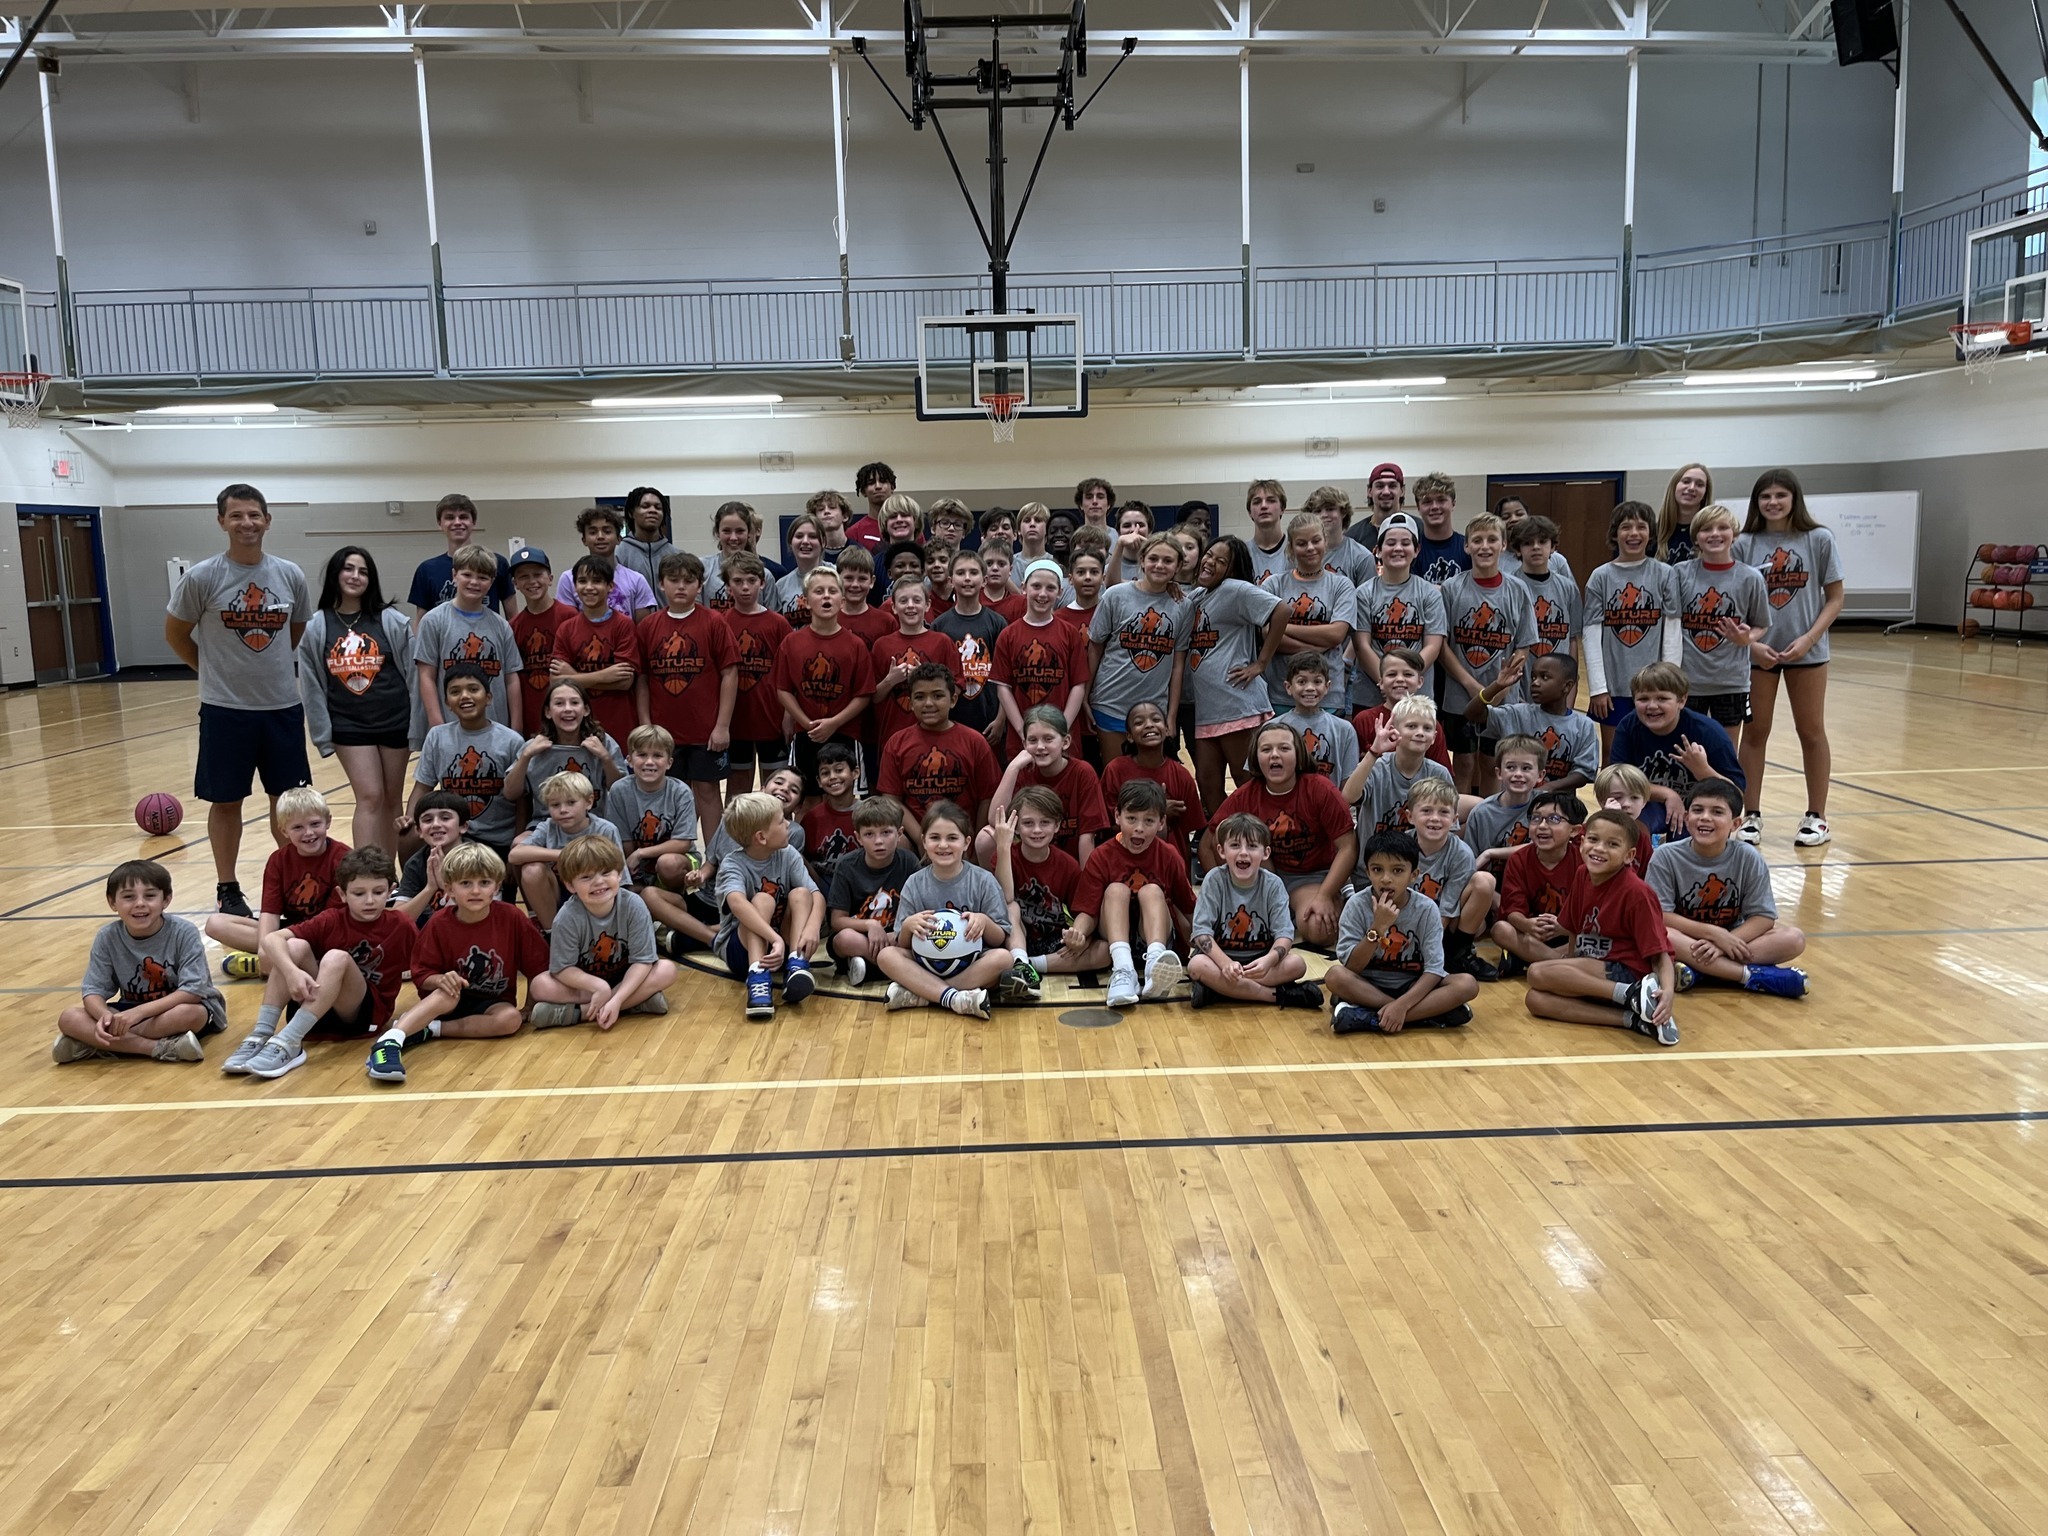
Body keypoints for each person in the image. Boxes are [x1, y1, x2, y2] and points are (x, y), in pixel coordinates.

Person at [164, 482, 314, 918]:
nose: (246, 523)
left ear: (267, 520)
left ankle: (294, 883)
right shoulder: (203, 577)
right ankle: (228, 888)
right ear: (221, 522)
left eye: (254, 515)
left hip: (282, 706)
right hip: (225, 710)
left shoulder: (289, 574)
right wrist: (209, 671)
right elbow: (175, 634)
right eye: (236, 516)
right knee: (226, 800)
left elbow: (295, 632)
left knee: (286, 804)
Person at [363, 843, 548, 1084]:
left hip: (492, 1003)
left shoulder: (511, 917)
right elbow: (420, 974)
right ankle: (389, 1041)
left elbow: (536, 965)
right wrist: (440, 979)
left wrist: (528, 1007)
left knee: (510, 1020)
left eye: (484, 883)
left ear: (497, 886)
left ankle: (429, 1030)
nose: (475, 890)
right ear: (449, 889)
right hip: (447, 1000)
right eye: (466, 883)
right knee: (448, 993)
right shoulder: (439, 923)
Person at [228, 845, 414, 1079]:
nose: (369, 901)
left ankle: (289, 1040)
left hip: (362, 1017)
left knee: (336, 957)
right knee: (294, 946)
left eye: (378, 892)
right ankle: (261, 1034)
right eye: (359, 893)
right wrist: (291, 972)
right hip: (317, 1008)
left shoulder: (401, 925)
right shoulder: (332, 918)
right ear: (342, 894)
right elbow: (272, 939)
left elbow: (425, 967)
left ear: (391, 891)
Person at [1735, 468, 1845, 848]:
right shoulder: (1743, 542)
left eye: (1781, 495)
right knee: (1755, 732)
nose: (1773, 502)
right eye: (1766, 496)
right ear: (1757, 502)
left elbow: (1835, 598)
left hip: (1807, 652)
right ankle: (1750, 816)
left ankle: (1817, 817)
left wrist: (1809, 638)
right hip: (1758, 653)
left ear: (1794, 499)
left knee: (1811, 730)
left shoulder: (1818, 539)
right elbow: (1732, 601)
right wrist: (1751, 645)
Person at [1524, 809, 1680, 1045]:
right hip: (1596, 974)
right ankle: (1634, 1019)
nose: (1599, 849)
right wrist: (1570, 968)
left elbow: (1660, 953)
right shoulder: (1582, 874)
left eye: (1612, 844)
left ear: (1629, 856)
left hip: (1627, 971)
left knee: (1537, 972)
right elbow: (1574, 930)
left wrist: (1668, 992)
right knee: (1535, 1000)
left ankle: (1632, 994)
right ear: (1582, 842)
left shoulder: (1638, 893)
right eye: (1594, 840)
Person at [299, 545, 414, 853]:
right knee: (370, 796)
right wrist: (321, 734)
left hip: (394, 720)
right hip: (349, 724)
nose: (355, 576)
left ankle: (388, 880)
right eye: (348, 568)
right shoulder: (316, 626)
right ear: (335, 574)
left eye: (363, 571)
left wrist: (419, 725)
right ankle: (366, 874)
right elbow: (311, 685)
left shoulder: (391, 620)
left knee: (392, 798)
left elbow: (413, 675)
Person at [1647, 777, 1808, 996]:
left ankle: (1700, 972)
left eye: (1717, 812)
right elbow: (1660, 915)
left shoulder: (1747, 857)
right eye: (1697, 810)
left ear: (1735, 824)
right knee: (1663, 934)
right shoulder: (1666, 856)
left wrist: (1723, 943)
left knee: (1794, 939)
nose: (1705, 817)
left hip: (1732, 939)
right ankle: (1749, 976)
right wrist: (1712, 933)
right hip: (1686, 937)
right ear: (1686, 817)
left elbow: (1763, 917)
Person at [54, 860, 225, 1065]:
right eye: (128, 897)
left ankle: (95, 1043)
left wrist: (134, 1016)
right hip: (130, 1011)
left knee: (190, 1014)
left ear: (166, 900)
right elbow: (92, 991)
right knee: (69, 1017)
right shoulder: (107, 936)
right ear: (112, 903)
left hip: (175, 1008)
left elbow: (193, 991)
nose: (140, 903)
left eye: (150, 896)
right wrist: (105, 1018)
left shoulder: (183, 932)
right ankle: (158, 1048)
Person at [1205, 719, 1355, 948]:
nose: (1275, 755)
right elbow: (1210, 843)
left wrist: (1325, 895)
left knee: (1320, 929)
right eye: (1266, 749)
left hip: (1311, 877)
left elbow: (1348, 847)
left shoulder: (1320, 789)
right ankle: (1280, 910)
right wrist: (1223, 886)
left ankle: (1335, 896)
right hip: (1264, 875)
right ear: (1256, 758)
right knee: (1225, 833)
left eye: (1284, 748)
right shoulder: (1245, 795)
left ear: (1298, 755)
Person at [1326, 830, 1478, 1035]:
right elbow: (1351, 967)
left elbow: (1434, 970)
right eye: (1377, 869)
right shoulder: (1356, 905)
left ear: (1413, 875)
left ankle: (1370, 1018)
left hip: (1412, 986)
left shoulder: (1426, 908)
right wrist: (1377, 928)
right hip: (1368, 986)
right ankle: (1426, 1015)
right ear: (1368, 872)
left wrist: (1403, 1004)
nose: (1386, 879)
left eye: (1397, 871)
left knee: (1467, 984)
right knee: (1335, 976)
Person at [877, 800, 1014, 1019]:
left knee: (1003, 959)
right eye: (935, 838)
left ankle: (926, 993)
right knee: (886, 955)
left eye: (952, 838)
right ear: (923, 841)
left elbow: (999, 938)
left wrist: (984, 921)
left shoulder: (983, 880)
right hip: (925, 962)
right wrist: (909, 926)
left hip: (971, 964)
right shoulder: (915, 882)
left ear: (966, 842)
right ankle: (955, 998)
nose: (943, 845)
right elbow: (902, 943)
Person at [526, 834, 677, 1029]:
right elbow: (562, 969)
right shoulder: (566, 917)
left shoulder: (634, 905)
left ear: (619, 874)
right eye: (586, 877)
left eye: (606, 873)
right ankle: (636, 1003)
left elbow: (642, 961)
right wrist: (599, 987)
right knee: (540, 985)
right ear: (570, 885)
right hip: (586, 986)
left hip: (626, 978)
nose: (598, 882)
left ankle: (579, 1013)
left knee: (667, 970)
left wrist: (616, 999)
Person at [637, 550, 738, 842]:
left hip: (705, 730)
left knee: (707, 791)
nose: (681, 586)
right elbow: (642, 679)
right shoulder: (648, 626)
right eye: (674, 580)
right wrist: (647, 727)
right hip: (663, 733)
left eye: (688, 580)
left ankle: (715, 863)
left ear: (700, 585)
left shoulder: (714, 622)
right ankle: (672, 860)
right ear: (660, 584)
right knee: (669, 795)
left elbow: (730, 674)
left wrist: (722, 725)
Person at [1185, 535, 1288, 813]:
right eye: (1209, 555)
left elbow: (1282, 610)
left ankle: (1255, 840)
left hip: (1237, 704)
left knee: (1245, 780)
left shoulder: (1235, 589)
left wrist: (1261, 663)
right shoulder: (1199, 594)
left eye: (1221, 561)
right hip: (1207, 709)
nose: (1209, 562)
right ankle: (1223, 841)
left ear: (1231, 569)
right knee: (1206, 781)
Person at [1073, 779, 1197, 1007]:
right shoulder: (1101, 856)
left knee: (1151, 891)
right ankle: (1123, 969)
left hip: (1155, 935)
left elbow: (1189, 908)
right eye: (1131, 819)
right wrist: (1078, 933)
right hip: (1114, 938)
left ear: (1161, 823)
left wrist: (1209, 944)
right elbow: (1088, 910)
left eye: (1148, 820)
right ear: (1117, 816)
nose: (1139, 827)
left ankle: (1155, 966)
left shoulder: (1169, 855)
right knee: (1116, 890)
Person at [1437, 510, 1535, 794]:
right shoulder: (1452, 588)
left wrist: (1499, 688)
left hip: (1504, 695)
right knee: (1464, 763)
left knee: (1493, 762)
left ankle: (1489, 820)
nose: (1484, 546)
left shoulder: (1517, 589)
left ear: (1503, 545)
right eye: (1477, 540)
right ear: (1466, 546)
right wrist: (1470, 684)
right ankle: (1462, 822)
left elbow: (1524, 645)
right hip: (1459, 694)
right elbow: (1442, 643)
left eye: (1492, 539)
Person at [203, 784, 347, 977]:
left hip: (331, 931)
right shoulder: (278, 860)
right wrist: (266, 948)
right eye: (298, 827)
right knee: (215, 923)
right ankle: (279, 961)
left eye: (315, 824)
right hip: (291, 930)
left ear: (328, 821)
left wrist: (279, 945)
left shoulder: (344, 858)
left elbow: (332, 918)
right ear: (284, 831)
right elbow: (270, 912)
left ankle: (277, 965)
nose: (308, 833)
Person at [1187, 812, 1321, 1010]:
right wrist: (1225, 965)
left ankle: (1219, 991)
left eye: (1252, 846)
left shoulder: (1273, 884)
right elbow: (1201, 933)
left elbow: (1284, 935)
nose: (1243, 853)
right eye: (1235, 845)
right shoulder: (1214, 879)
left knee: (1297, 964)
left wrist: (1269, 960)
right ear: (1221, 851)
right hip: (1220, 959)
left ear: (1265, 853)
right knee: (1197, 965)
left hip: (1260, 962)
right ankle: (1274, 996)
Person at [714, 790, 823, 1021]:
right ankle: (757, 976)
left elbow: (816, 895)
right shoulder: (732, 863)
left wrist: (813, 927)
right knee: (762, 899)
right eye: (782, 821)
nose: (788, 825)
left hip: (779, 948)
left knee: (802, 893)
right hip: (741, 950)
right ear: (761, 837)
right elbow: (736, 903)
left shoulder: (788, 853)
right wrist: (773, 938)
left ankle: (796, 962)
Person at [1088, 532, 1194, 762]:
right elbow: (1095, 648)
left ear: (1177, 567)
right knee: (1115, 777)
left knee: (1149, 783)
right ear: (1142, 560)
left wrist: (1171, 715)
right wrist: (1086, 698)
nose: (1159, 565)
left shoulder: (1183, 605)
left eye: (1168, 561)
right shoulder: (1116, 595)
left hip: (1154, 710)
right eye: (1153, 558)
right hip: (1110, 702)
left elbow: (1178, 664)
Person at [1582, 501, 1680, 748]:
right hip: (1613, 689)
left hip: (1654, 687)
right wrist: (1598, 688)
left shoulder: (1665, 574)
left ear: (1651, 533)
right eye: (1626, 527)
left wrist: (1669, 680)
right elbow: (1591, 634)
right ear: (1615, 533)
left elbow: (1672, 629)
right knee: (1613, 756)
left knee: (1655, 754)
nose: (1634, 533)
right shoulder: (1601, 576)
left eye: (1641, 526)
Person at [410, 663, 530, 863]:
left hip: (498, 839)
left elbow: (522, 801)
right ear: (447, 701)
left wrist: (515, 843)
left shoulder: (511, 741)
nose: (465, 696)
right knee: (408, 835)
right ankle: (412, 888)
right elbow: (422, 787)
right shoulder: (437, 737)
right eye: (455, 692)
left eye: (473, 689)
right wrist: (410, 819)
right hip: (453, 834)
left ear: (488, 698)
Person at [1671, 504, 1769, 747]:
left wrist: (1747, 639)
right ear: (1696, 538)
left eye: (1722, 528)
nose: (1715, 534)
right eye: (1706, 529)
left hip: (1731, 681)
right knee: (1686, 750)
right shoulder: (1680, 573)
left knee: (1725, 751)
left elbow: (1761, 625)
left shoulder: (1750, 578)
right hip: (1688, 682)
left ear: (1734, 535)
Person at [413, 541, 524, 751]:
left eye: (482, 577)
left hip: (495, 728)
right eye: (467, 575)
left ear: (491, 583)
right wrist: (437, 725)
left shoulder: (501, 626)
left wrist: (515, 727)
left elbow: (511, 678)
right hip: (451, 726)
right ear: (454, 576)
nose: (474, 582)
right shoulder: (433, 621)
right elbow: (426, 676)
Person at [773, 568, 875, 793]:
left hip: (845, 732)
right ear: (806, 601)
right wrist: (807, 723)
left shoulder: (855, 645)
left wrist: (834, 722)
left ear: (842, 600)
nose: (826, 596)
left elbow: (864, 694)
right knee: (804, 798)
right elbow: (783, 690)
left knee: (848, 797)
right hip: (806, 733)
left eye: (832, 591)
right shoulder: (792, 642)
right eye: (819, 591)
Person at [1612, 661, 1747, 831]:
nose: (1652, 706)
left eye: (1662, 698)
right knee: (1630, 826)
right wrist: (1667, 794)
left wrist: (1702, 771)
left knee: (1694, 842)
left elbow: (1736, 795)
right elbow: (1616, 781)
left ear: (1682, 700)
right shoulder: (1628, 727)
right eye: (1643, 699)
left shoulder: (1708, 733)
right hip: (1647, 803)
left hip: (1697, 810)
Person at [991, 785, 1098, 989]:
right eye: (1028, 823)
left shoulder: (1068, 865)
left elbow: (1085, 910)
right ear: (1016, 827)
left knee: (1103, 951)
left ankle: (1028, 965)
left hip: (1052, 942)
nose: (1037, 830)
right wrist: (1003, 847)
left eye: (1045, 823)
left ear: (1057, 826)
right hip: (1015, 939)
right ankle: (1020, 958)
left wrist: (1078, 935)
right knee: (1011, 907)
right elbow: (1004, 899)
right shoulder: (1004, 856)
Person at [876, 663, 998, 839]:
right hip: (915, 839)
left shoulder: (975, 742)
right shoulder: (897, 743)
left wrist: (974, 844)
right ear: (910, 703)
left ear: (953, 700)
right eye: (919, 697)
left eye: (938, 695)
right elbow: (891, 800)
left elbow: (987, 797)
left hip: (963, 837)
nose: (928, 703)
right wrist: (920, 838)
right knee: (895, 840)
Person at [992, 557, 1092, 757]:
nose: (1043, 594)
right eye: (1036, 586)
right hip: (1021, 737)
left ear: (1060, 592)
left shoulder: (1069, 633)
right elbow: (1003, 687)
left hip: (1063, 737)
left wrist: (1060, 730)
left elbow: (1078, 685)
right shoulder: (1008, 635)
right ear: (1023, 588)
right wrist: (1023, 731)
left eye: (1050, 588)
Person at [983, 705, 1106, 864]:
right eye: (1033, 740)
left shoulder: (1083, 772)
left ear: (1066, 741)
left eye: (1048, 739)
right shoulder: (1021, 770)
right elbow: (995, 820)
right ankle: (997, 888)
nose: (1040, 747)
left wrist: (1086, 885)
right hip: (1030, 856)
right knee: (985, 838)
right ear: (1024, 744)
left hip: (1069, 864)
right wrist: (1012, 768)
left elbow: (1087, 836)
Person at [1263, 512, 1358, 715]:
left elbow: (1336, 634)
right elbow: (1266, 635)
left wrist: (1282, 627)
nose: (1310, 548)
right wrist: (1319, 645)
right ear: (1291, 548)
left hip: (1328, 694)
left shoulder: (1341, 585)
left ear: (1325, 541)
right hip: (1281, 692)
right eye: (1301, 543)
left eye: (1316, 541)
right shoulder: (1273, 584)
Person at [1464, 652, 1597, 795]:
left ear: (1567, 686)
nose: (1535, 683)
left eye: (1544, 677)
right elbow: (1472, 714)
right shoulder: (1516, 714)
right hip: (1514, 802)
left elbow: (1584, 773)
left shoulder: (1584, 726)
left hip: (1558, 806)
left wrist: (1548, 788)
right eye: (1533, 677)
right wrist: (1497, 686)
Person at [1405, 778, 1497, 981]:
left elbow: (1448, 906)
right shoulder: (1400, 847)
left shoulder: (1461, 853)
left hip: (1444, 923)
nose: (1435, 818)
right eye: (1426, 811)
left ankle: (1457, 955)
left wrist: (1432, 952)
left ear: (1455, 819)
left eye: (1443, 812)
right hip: (1406, 923)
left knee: (1484, 881)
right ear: (1410, 816)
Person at [1487, 788, 1587, 975]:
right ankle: (1560, 964)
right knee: (1501, 929)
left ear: (1574, 830)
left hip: (1569, 933)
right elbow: (1512, 911)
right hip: (1532, 933)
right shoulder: (1519, 859)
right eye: (1536, 818)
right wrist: (1528, 925)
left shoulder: (1583, 862)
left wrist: (1563, 927)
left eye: (1554, 819)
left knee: (1591, 937)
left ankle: (1530, 960)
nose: (1541, 826)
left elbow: (1590, 912)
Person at [1353, 513, 1447, 710]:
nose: (1398, 548)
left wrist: (1405, 682)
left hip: (1417, 700)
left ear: (1416, 550)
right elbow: (1362, 646)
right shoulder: (1363, 593)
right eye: (1390, 543)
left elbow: (1432, 647)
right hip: (1371, 698)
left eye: (1405, 543)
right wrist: (1386, 682)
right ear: (1378, 550)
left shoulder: (1430, 593)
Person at [827, 794, 923, 986]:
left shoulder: (909, 862)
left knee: (919, 941)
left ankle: (867, 967)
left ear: (900, 833)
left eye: (886, 833)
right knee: (845, 939)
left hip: (895, 936)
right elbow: (837, 921)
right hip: (861, 936)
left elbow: (919, 911)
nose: (878, 841)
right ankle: (895, 969)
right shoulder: (846, 866)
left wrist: (898, 933)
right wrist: (871, 925)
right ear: (858, 838)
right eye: (869, 834)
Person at [720, 552, 792, 800]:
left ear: (762, 582)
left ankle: (780, 836)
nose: (745, 587)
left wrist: (788, 714)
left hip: (772, 717)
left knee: (777, 786)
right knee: (737, 787)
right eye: (738, 581)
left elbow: (789, 674)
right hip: (737, 719)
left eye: (751, 580)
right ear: (728, 586)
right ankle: (733, 839)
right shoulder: (721, 623)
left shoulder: (778, 623)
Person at [510, 769, 623, 928]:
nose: (563, 810)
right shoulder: (548, 827)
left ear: (589, 802)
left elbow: (620, 877)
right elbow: (514, 855)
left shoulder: (605, 830)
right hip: (557, 895)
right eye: (555, 805)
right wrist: (563, 854)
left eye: (571, 802)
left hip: (596, 892)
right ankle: (551, 932)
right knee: (531, 870)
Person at [1101, 701, 1206, 858]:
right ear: (1129, 736)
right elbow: (1107, 826)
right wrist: (1158, 810)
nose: (1149, 725)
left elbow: (1185, 836)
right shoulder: (1115, 770)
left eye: (1156, 720)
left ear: (1166, 729)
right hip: (1123, 861)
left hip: (1167, 863)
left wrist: (1184, 877)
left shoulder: (1181, 775)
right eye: (1139, 722)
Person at [870, 576, 966, 745]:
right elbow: (874, 697)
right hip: (893, 735)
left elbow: (957, 687)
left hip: (936, 733)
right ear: (893, 607)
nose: (910, 606)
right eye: (903, 601)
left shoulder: (942, 642)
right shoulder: (881, 645)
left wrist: (925, 681)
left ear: (927, 605)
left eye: (916, 600)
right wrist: (890, 680)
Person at [1344, 694, 1454, 840]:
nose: (1420, 733)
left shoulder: (1439, 773)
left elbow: (1449, 826)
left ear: (1434, 737)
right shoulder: (1376, 766)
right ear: (1394, 730)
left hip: (1418, 860)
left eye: (1427, 728)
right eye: (1411, 726)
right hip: (1373, 858)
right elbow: (1348, 797)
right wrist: (1374, 752)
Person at [933, 549, 1006, 736]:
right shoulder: (940, 625)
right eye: (960, 573)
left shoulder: (997, 623)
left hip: (989, 719)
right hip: (952, 718)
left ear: (984, 580)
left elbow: (1006, 678)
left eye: (973, 573)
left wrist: (1001, 719)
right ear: (950, 581)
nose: (967, 578)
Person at [409, 492, 511, 619]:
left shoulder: (496, 562)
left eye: (463, 517)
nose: (457, 522)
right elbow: (420, 621)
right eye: (450, 517)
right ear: (440, 523)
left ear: (473, 522)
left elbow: (512, 616)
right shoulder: (426, 570)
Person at [1350, 648, 1452, 773]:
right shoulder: (1364, 720)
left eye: (1408, 674)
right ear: (1381, 682)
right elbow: (1351, 770)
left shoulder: (1429, 723)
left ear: (1420, 682)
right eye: (1392, 674)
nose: (1399, 679)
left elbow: (1441, 775)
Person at [507, 546, 575, 728]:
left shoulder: (570, 617)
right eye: (523, 576)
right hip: (532, 715)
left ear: (550, 579)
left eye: (538, 574)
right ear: (515, 583)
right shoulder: (513, 627)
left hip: (568, 713)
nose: (532, 581)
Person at [553, 506, 658, 617]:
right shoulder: (569, 579)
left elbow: (643, 630)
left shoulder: (636, 580)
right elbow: (568, 626)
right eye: (593, 532)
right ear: (584, 540)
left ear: (619, 538)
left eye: (607, 531)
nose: (600, 537)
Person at [1462, 734, 1547, 868]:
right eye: (1510, 767)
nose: (1518, 774)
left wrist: (1491, 853)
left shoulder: (1548, 806)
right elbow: (1470, 862)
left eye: (1526, 768)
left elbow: (1549, 847)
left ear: (1540, 775)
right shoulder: (1481, 813)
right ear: (1499, 773)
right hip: (1491, 884)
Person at [1505, 514, 1577, 671]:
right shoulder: (1509, 588)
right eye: (1528, 543)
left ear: (1553, 547)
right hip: (1519, 682)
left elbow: (1572, 639)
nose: (1536, 547)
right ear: (1518, 550)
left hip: (1558, 681)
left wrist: (1572, 682)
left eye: (1542, 541)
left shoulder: (1568, 588)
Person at [394, 789, 475, 927]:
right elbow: (398, 919)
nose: (436, 824)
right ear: (419, 831)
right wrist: (430, 888)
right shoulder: (416, 863)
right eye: (427, 820)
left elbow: (480, 911)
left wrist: (445, 885)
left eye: (445, 818)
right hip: (431, 929)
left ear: (463, 826)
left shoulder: (479, 858)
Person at [1275, 653, 1358, 786]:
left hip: (1329, 804)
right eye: (1302, 681)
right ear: (1288, 687)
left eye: (1317, 681)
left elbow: (1348, 782)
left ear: (1327, 687)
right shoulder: (1273, 728)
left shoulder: (1344, 729)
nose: (1309, 688)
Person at [799, 739, 863, 883]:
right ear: (819, 781)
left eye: (839, 770)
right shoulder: (812, 817)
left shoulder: (868, 813)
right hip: (824, 883)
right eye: (825, 773)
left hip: (860, 883)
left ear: (855, 772)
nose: (833, 776)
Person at [1301, 484, 1377, 589]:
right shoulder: (1300, 555)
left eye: (1330, 509)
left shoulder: (1361, 557)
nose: (1324, 515)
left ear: (1343, 512)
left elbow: (1367, 602)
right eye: (1318, 511)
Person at [702, 503, 776, 610]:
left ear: (749, 533)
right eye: (726, 531)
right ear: (717, 532)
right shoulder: (704, 569)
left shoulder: (765, 575)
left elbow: (772, 621)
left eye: (740, 531)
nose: (733, 537)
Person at [1494, 495, 1576, 586]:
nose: (1514, 519)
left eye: (1519, 514)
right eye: (1506, 517)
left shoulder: (1558, 561)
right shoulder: (1495, 560)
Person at [1594, 761, 1662, 867]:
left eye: (1635, 798)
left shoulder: (1642, 840)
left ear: (1644, 802)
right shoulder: (1589, 832)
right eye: (1617, 797)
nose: (1626, 804)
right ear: (1602, 801)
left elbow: (1646, 878)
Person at [1408, 472, 1471, 585]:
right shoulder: (1411, 551)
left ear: (1453, 504)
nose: (1435, 507)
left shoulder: (1468, 548)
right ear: (1418, 507)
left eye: (1441, 500)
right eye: (1427, 502)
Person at [773, 512, 832, 626]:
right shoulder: (781, 586)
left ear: (823, 542)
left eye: (812, 536)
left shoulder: (837, 575)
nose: (805, 541)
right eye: (799, 536)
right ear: (790, 543)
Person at [616, 486, 679, 587]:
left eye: (658, 507)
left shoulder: (677, 555)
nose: (652, 510)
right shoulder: (618, 555)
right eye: (645, 506)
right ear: (631, 513)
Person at [833, 546, 895, 648]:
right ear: (838, 579)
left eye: (862, 579)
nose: (855, 584)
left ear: (872, 581)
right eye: (849, 578)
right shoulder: (828, 619)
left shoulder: (886, 622)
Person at [1657, 462, 1712, 564]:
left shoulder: (1713, 533)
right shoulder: (1654, 532)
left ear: (1705, 493)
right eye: (1686, 481)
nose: (1691, 488)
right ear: (1674, 487)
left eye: (1700, 484)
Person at [1244, 479, 1291, 584]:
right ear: (1249, 512)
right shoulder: (1242, 553)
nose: (1264, 506)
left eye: (1271, 500)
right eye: (1257, 502)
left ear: (1282, 508)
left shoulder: (1295, 550)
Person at [1350, 462, 1404, 548]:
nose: (1386, 492)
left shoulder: (1419, 530)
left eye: (1392, 486)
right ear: (1369, 491)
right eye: (1380, 486)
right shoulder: (1353, 537)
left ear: (1402, 491)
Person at [848, 462, 897, 548]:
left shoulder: (907, 527)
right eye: (871, 483)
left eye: (883, 481)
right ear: (863, 491)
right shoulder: (854, 532)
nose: (878, 486)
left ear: (892, 487)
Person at [1110, 500, 1153, 585]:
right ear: (1119, 532)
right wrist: (1120, 544)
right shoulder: (1108, 569)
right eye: (1127, 525)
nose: (1134, 530)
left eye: (1140, 525)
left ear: (1150, 531)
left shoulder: (1158, 567)